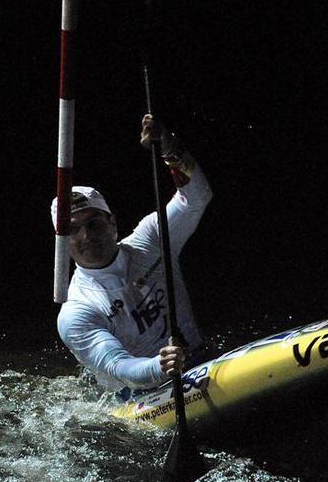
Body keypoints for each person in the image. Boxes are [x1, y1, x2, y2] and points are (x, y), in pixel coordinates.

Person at [53, 114, 212, 398]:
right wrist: (159, 366)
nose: (86, 236)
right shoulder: (76, 311)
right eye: (73, 230)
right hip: (141, 396)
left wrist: (169, 149)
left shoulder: (151, 239)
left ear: (112, 223)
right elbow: (118, 366)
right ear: (62, 242)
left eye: (94, 223)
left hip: (201, 360)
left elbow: (196, 198)